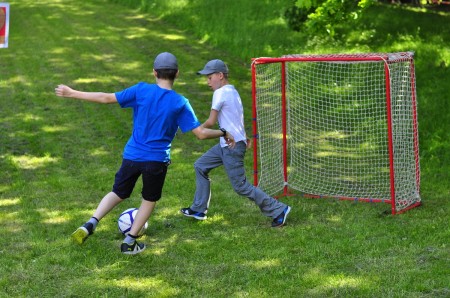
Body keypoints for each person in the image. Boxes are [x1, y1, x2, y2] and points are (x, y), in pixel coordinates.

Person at [55, 52, 235, 255]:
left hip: (132, 156)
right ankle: (130, 241)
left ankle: (90, 223)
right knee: (149, 199)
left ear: (154, 73)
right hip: (156, 161)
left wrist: (72, 93)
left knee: (118, 192)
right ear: (177, 73)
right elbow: (201, 134)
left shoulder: (141, 90)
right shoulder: (180, 102)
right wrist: (223, 132)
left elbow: (106, 98)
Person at [180, 59, 291, 227]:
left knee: (241, 187)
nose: (207, 82)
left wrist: (197, 129)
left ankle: (278, 209)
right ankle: (198, 209)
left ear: (220, 75)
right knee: (200, 166)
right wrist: (243, 137)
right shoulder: (233, 91)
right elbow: (235, 118)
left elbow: (211, 121)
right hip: (228, 144)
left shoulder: (220, 93)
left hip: (231, 146)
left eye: (210, 77)